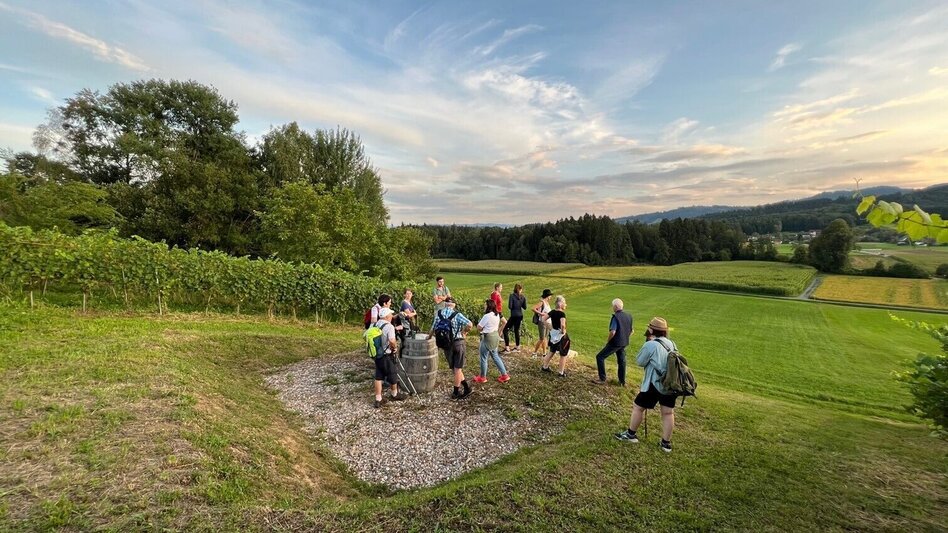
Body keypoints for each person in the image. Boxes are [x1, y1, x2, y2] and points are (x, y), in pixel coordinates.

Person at [614, 317, 678, 452]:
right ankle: (666, 444)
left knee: (638, 407)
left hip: (653, 383)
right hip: (670, 383)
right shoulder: (672, 343)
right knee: (667, 413)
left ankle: (631, 434)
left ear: (651, 329)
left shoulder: (651, 344)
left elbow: (640, 361)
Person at [429, 296, 474, 399]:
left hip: (446, 345)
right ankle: (455, 393)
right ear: (453, 305)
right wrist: (464, 332)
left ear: (445, 304)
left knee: (455, 369)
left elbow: (432, 328)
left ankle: (467, 388)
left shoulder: (439, 313)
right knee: (458, 369)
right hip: (458, 343)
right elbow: (470, 324)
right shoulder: (457, 314)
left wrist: (428, 338)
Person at [592, 298, 634, 386]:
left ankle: (602, 378)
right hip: (624, 343)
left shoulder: (615, 317)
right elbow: (631, 331)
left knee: (600, 357)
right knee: (622, 361)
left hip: (615, 343)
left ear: (615, 307)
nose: (612, 308)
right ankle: (622, 382)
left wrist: (608, 341)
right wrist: (625, 337)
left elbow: (613, 331)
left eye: (612, 306)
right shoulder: (628, 316)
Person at [372, 308, 408, 408]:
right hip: (387, 354)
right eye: (391, 315)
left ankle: (378, 398)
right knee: (392, 373)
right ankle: (394, 394)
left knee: (378, 376)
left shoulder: (375, 324)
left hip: (377, 354)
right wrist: (395, 348)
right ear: (387, 316)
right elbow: (392, 340)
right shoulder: (389, 326)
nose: (392, 316)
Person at [475, 299, 510, 384]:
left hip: (487, 338)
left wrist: (482, 328)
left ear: (488, 306)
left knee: (483, 358)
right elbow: (502, 323)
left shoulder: (486, 316)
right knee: (495, 356)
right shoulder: (497, 315)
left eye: (485, 305)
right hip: (495, 337)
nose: (484, 306)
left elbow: (479, 327)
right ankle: (504, 375)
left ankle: (482, 377)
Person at [541, 295, 570, 377]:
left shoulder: (552, 312)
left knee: (552, 351)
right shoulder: (562, 314)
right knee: (563, 354)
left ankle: (545, 366)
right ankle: (561, 372)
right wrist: (563, 331)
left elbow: (543, 319)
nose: (566, 305)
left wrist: (550, 327)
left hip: (553, 335)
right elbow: (563, 325)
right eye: (565, 303)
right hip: (561, 337)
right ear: (560, 304)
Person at [502, 283, 527, 352]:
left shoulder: (512, 296)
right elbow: (525, 307)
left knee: (505, 330)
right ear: (521, 289)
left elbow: (510, 307)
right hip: (520, 316)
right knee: (516, 330)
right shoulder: (523, 297)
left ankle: (507, 348)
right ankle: (517, 347)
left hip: (514, 315)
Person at [531, 288, 553, 356]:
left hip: (547, 322)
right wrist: (540, 313)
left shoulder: (547, 303)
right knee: (541, 338)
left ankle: (544, 353)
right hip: (542, 322)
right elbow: (533, 308)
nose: (551, 297)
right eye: (550, 295)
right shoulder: (542, 302)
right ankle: (534, 353)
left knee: (545, 338)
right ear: (547, 295)